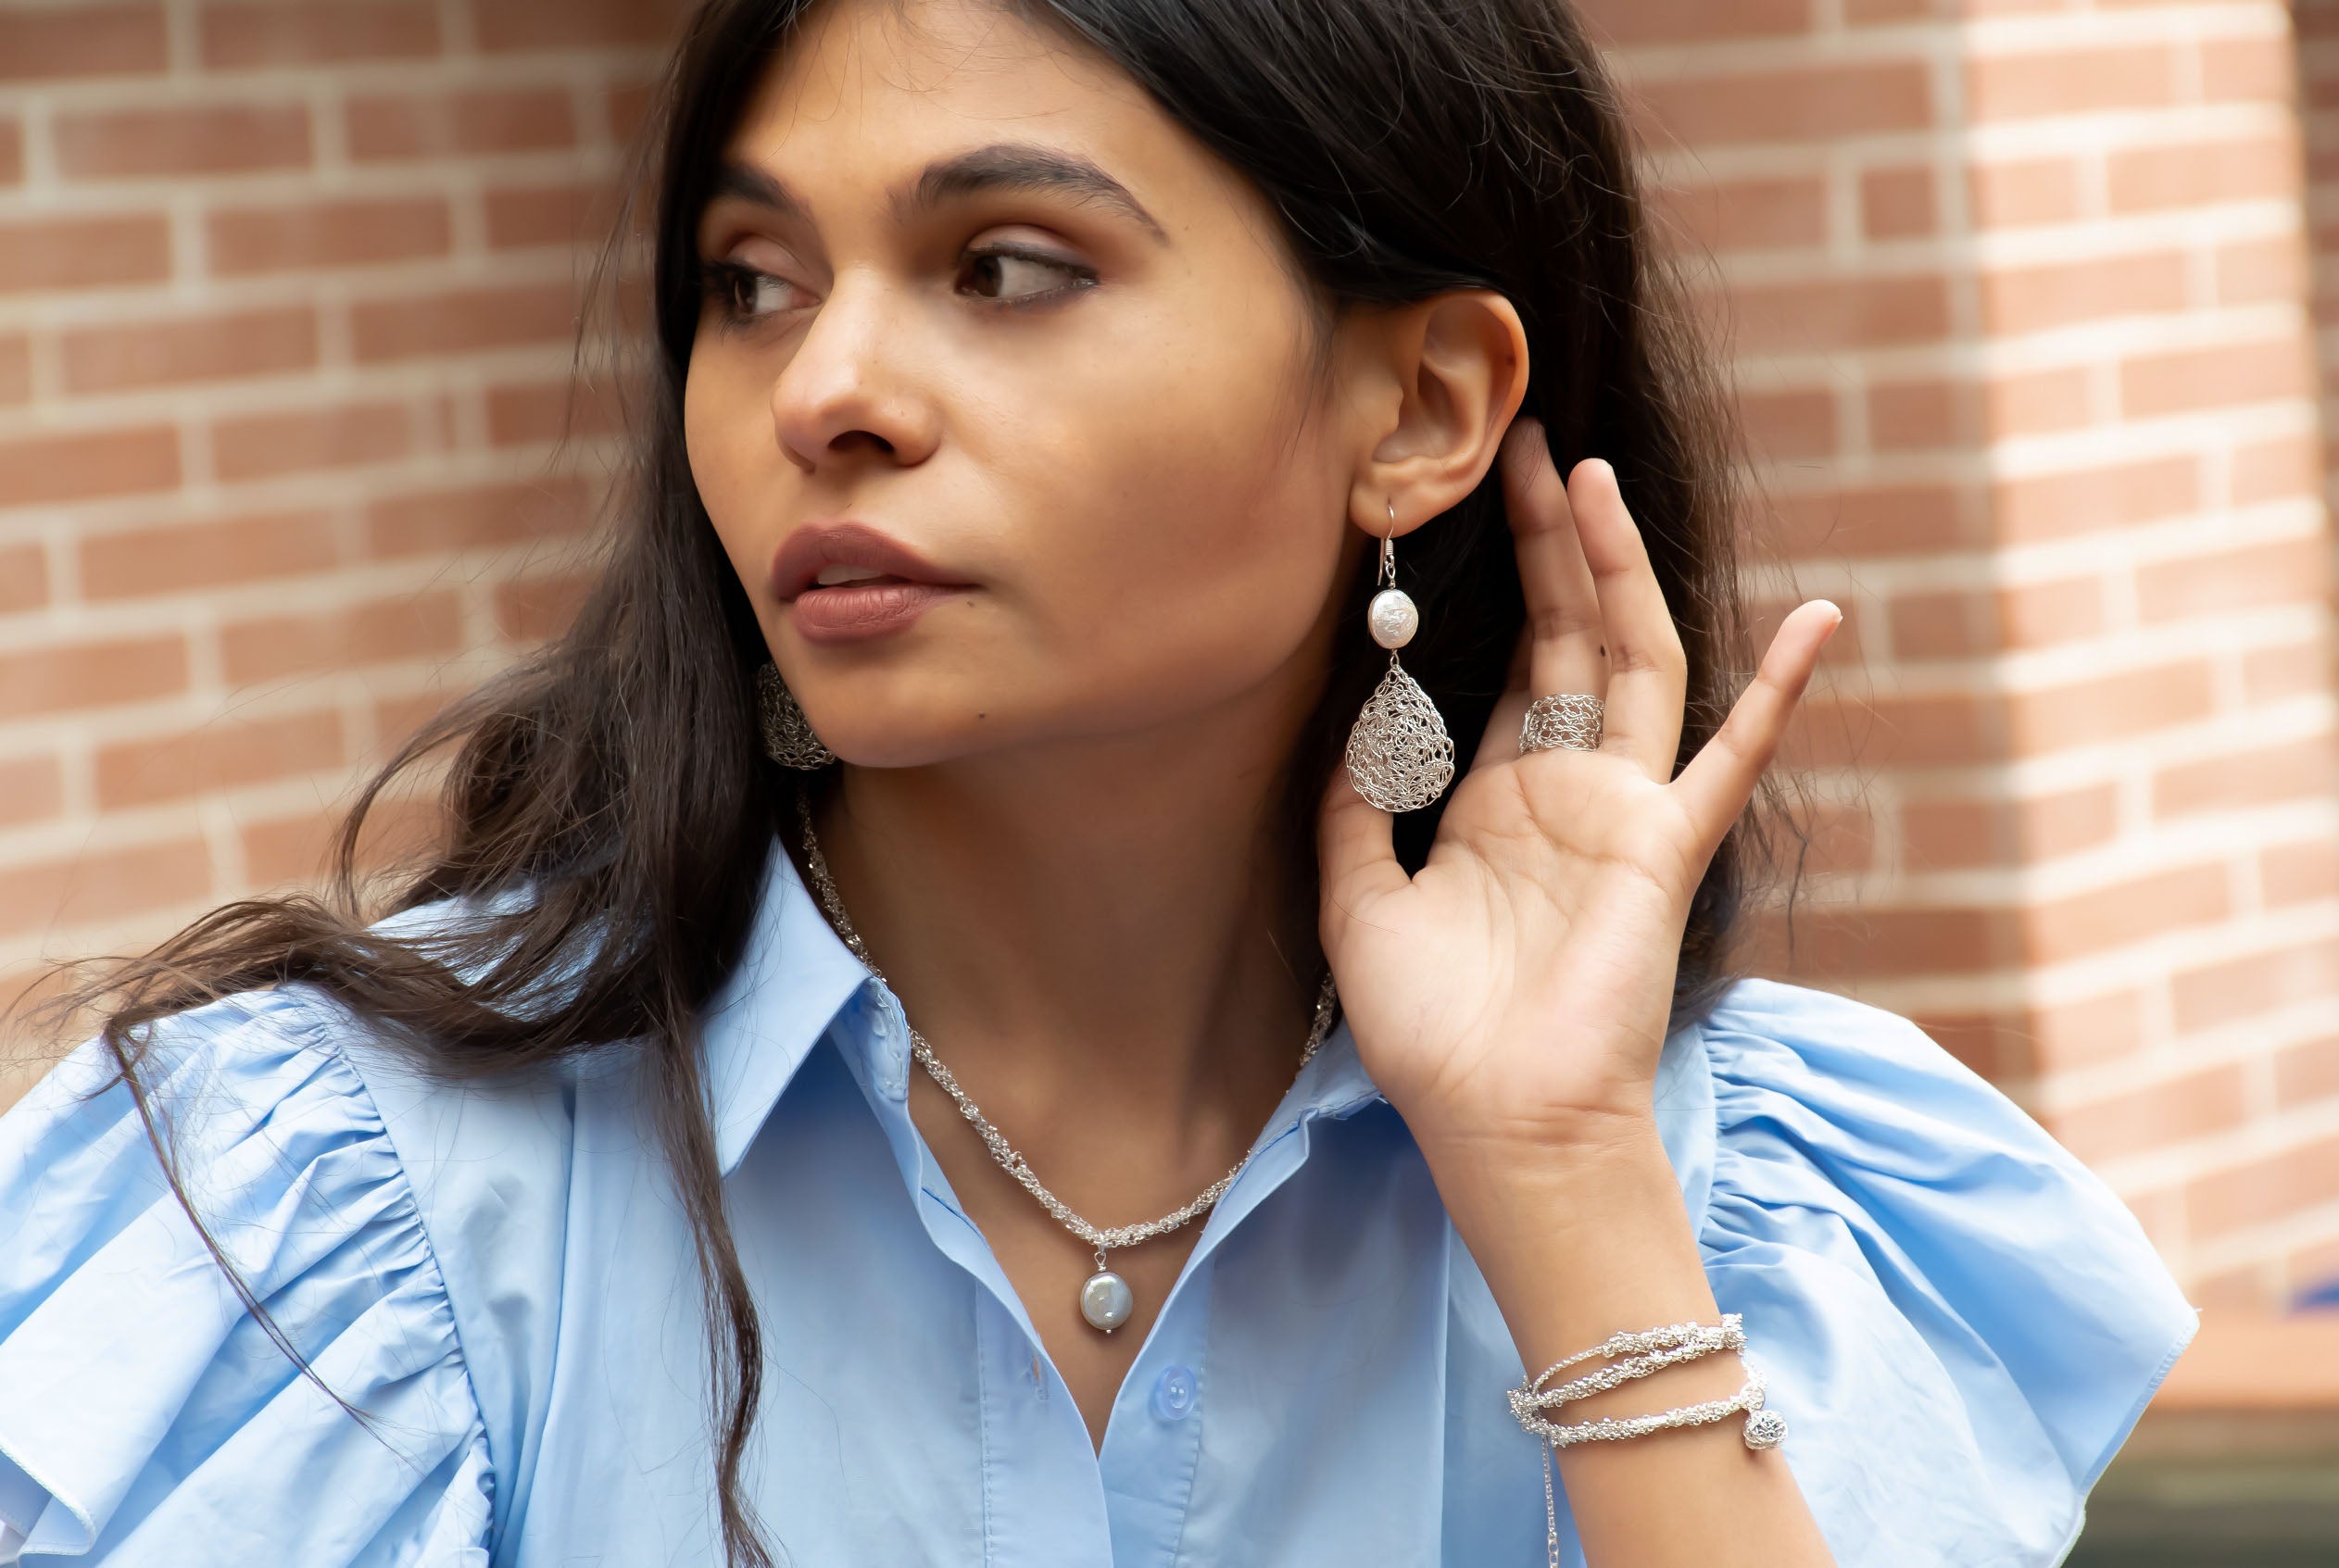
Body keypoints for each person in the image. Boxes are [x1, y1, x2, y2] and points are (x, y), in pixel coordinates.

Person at [0, 0, 2197, 1563]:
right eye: (750, 283)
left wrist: (1552, 1171)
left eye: (1006, 267)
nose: (826, 390)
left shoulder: (1738, 1197)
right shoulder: (332, 1210)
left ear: (1422, 404)